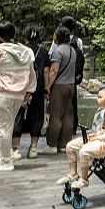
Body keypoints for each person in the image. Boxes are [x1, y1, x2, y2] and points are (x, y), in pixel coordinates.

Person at [0, 20, 36, 172]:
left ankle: (6, 161)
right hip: (19, 94)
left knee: (3, 128)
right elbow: (32, 73)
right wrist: (29, 91)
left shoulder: (0, 50)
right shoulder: (26, 51)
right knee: (8, 126)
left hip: (3, 93)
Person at [57, 87, 105, 189]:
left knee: (84, 152)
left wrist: (98, 137)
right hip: (102, 138)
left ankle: (84, 180)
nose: (97, 99)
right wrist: (96, 134)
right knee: (70, 146)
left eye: (100, 97)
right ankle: (73, 173)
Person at [12, 26, 48, 159]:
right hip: (37, 89)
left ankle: (15, 149)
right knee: (37, 117)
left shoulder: (21, 50)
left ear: (25, 36)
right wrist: (47, 87)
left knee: (18, 117)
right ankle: (33, 148)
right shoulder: (43, 51)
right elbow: (45, 71)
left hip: (21, 89)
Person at [42, 25, 78, 155]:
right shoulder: (72, 50)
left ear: (57, 37)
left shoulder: (58, 51)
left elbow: (54, 70)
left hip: (59, 85)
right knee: (68, 115)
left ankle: (52, 144)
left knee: (56, 115)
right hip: (71, 85)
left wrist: (47, 86)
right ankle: (64, 144)